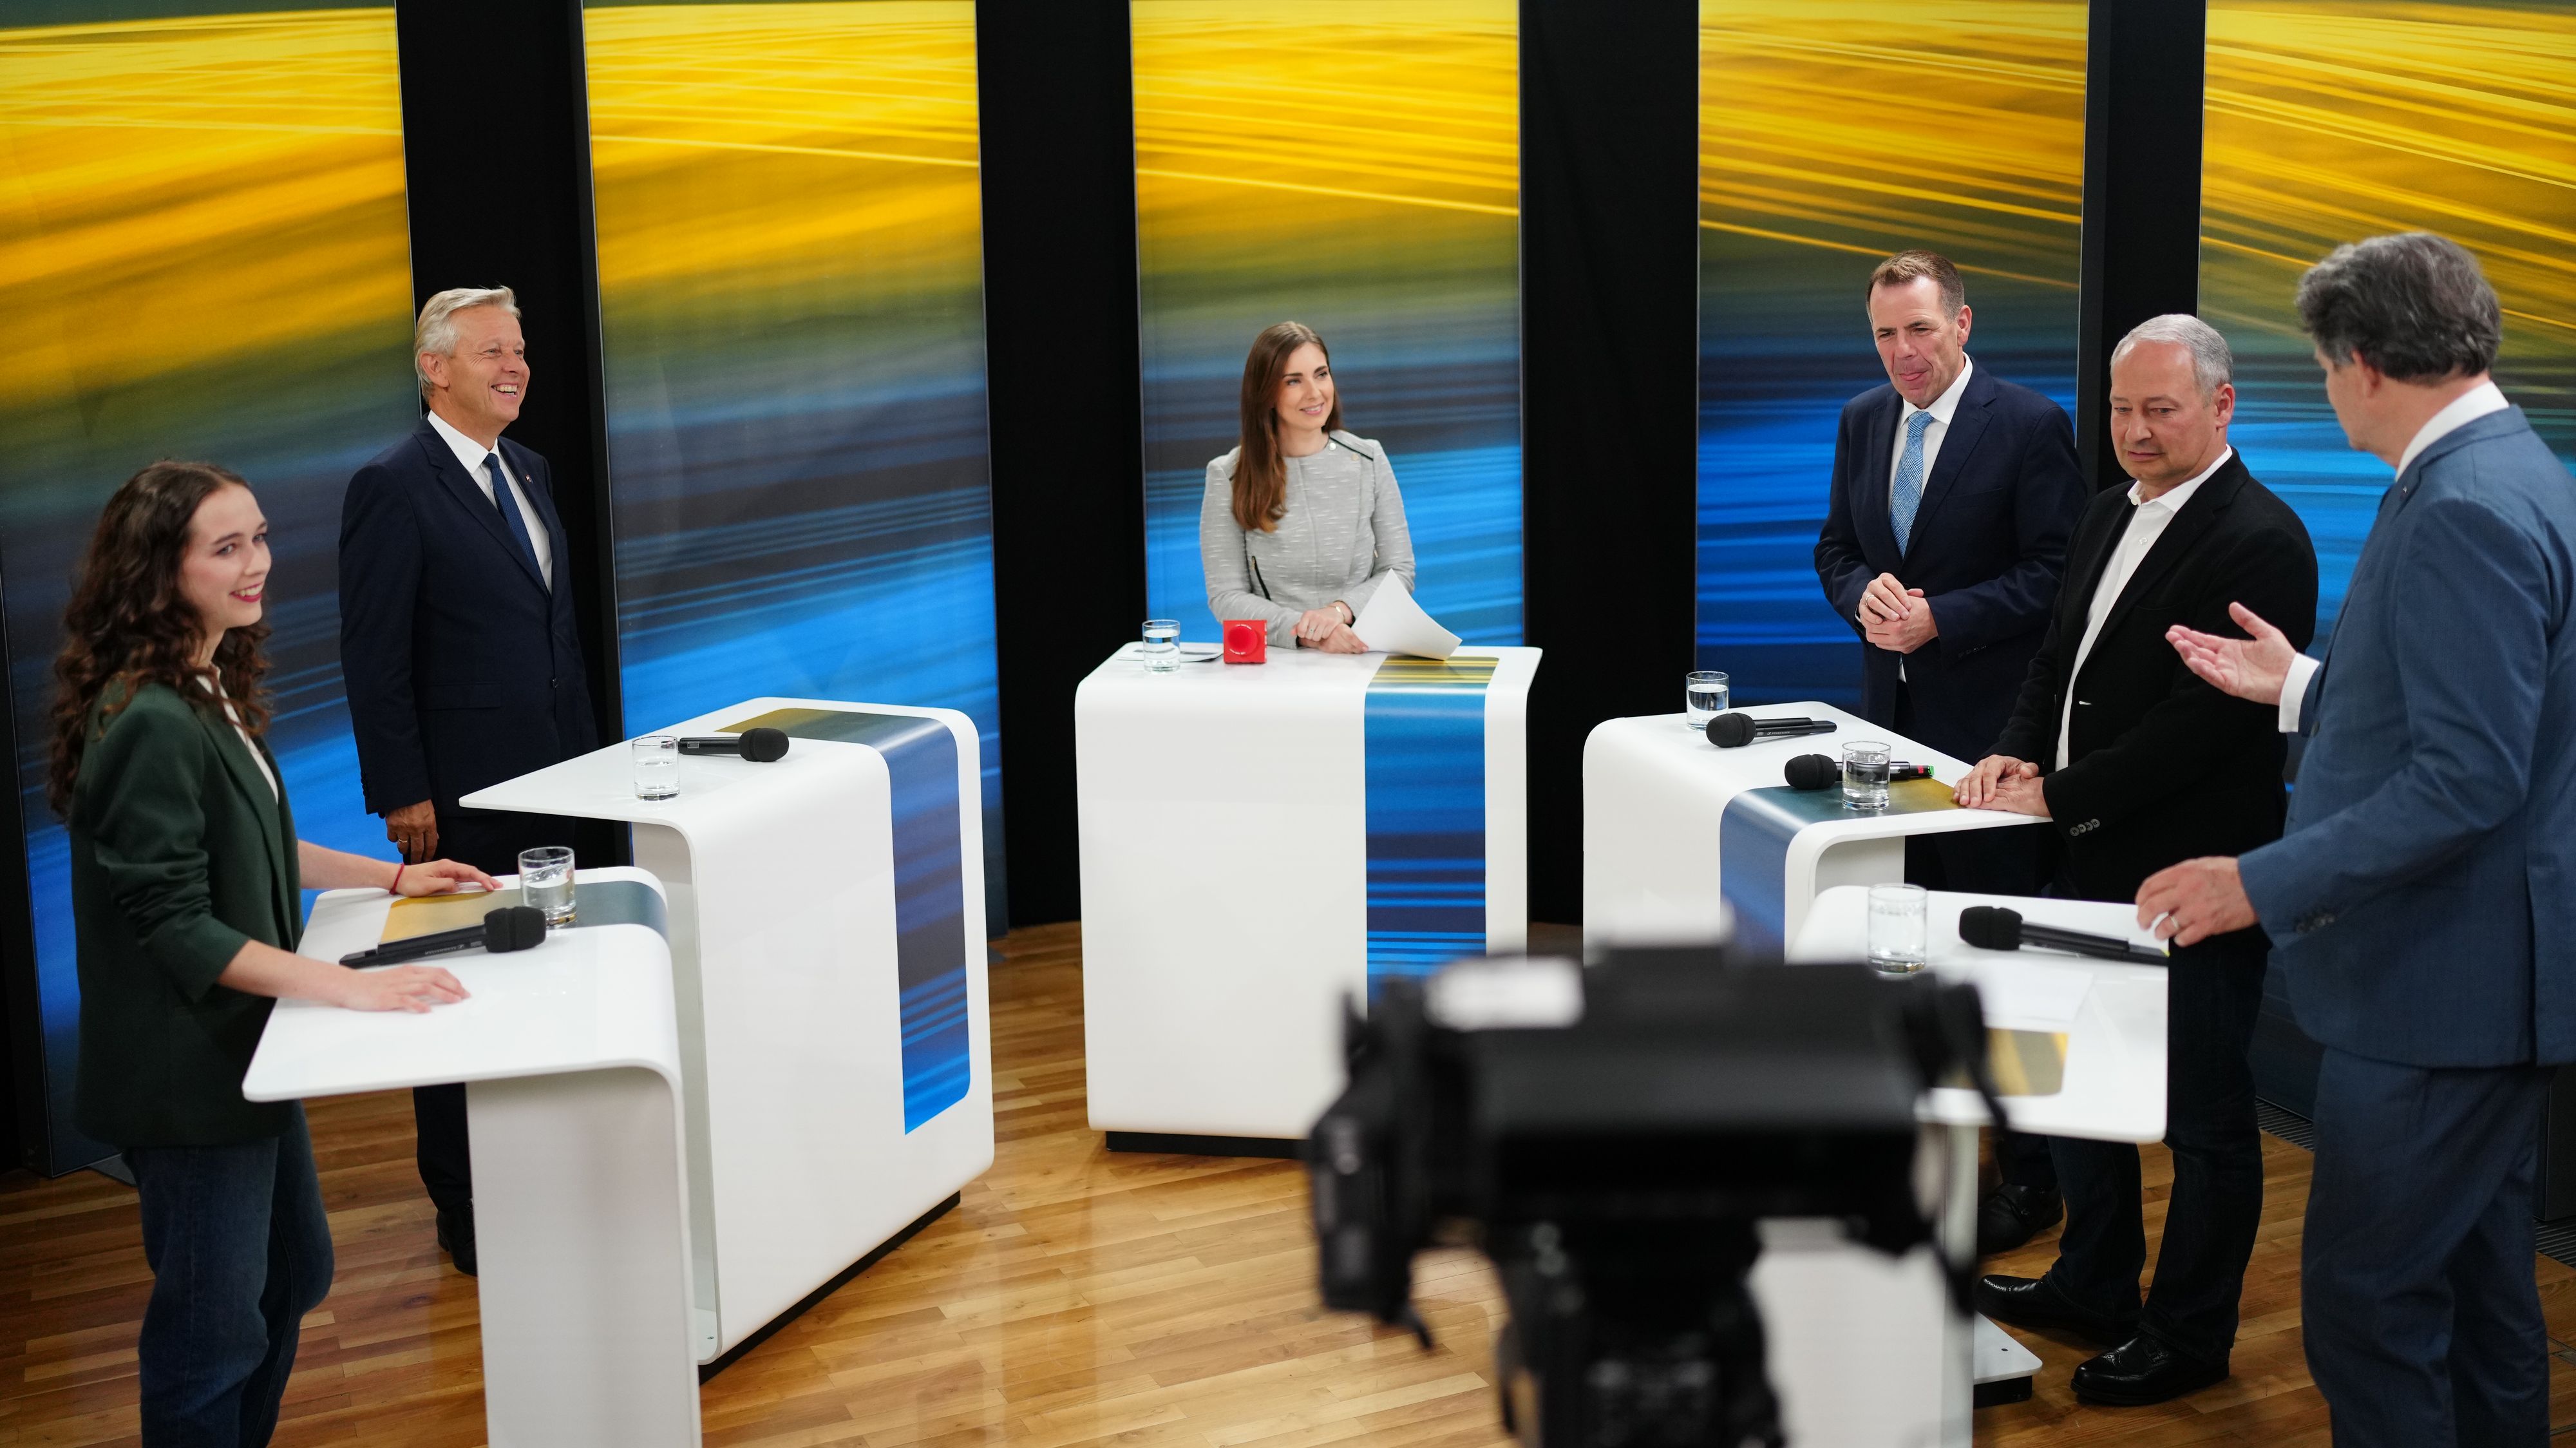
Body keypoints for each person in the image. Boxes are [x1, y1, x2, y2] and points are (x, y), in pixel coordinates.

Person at [2144, 234, 2576, 1447]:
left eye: (2326, 368)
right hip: (2487, 985)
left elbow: (2467, 776)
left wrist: (2255, 879)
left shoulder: (2464, 507)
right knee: (2487, 1300)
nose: (2326, 390)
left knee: (2366, 1298)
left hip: (2440, 990)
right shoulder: (2509, 469)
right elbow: (2484, 716)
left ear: (2368, 361)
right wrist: (2300, 686)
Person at [53, 461, 488, 1446]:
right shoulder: (147, 718)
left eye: (258, 538)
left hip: (245, 1055)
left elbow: (255, 837)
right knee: (209, 1342)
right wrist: (349, 989)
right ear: (160, 570)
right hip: (187, 1079)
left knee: (296, 1276)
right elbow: (178, 926)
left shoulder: (201, 682)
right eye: (227, 547)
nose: (259, 564)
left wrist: (390, 880)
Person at [1958, 316, 2316, 1405]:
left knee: (2205, 1117)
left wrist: (2055, 794)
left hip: (2193, 873)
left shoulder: (2265, 537)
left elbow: (2198, 727)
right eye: (2121, 408)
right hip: (2083, 850)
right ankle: (2096, 1281)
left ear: (2221, 405)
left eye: (2160, 408)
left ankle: (2190, 1332)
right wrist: (2016, 748)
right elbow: (2058, 653)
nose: (2135, 430)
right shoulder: (2109, 507)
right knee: (2071, 1084)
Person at [1814, 249, 2087, 1250]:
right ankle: (1922, 1141)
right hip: (1887, 736)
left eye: (1920, 330)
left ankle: (2033, 1176)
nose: (1903, 353)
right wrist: (1864, 598)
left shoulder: (2028, 425)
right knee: (1907, 945)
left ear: (1963, 326)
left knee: (1998, 956)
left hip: (1994, 744)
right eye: (1886, 334)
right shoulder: (1862, 420)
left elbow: (2061, 575)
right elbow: (1837, 548)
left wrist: (1943, 618)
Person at [341, 286, 600, 1275]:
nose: (518, 366)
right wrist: (405, 793)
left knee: (548, 973)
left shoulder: (528, 469)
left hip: (557, 782)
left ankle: (544, 1169)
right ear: (434, 368)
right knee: (461, 988)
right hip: (456, 795)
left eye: (522, 351)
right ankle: (464, 1201)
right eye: (494, 350)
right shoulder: (392, 485)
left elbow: (553, 638)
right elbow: (375, 656)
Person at [1200, 321, 1415, 651]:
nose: (1314, 393)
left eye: (1321, 374)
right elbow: (1226, 597)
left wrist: (1339, 612)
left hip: (1361, 648)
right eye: (1293, 381)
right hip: (1277, 662)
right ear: (1267, 393)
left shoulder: (1369, 458)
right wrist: (1308, 632)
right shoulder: (1228, 475)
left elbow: (1398, 571)